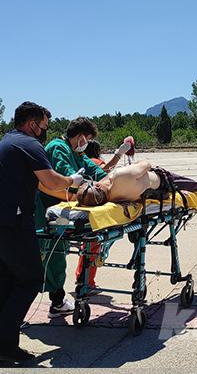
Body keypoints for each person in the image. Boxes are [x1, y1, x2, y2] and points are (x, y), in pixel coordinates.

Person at [0, 102, 84, 366]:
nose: (45, 131)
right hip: (7, 222)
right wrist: (72, 181)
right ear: (32, 124)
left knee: (3, 281)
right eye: (43, 126)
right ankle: (2, 344)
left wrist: (69, 191)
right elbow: (51, 180)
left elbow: (42, 185)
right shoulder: (29, 144)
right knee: (30, 279)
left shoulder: (8, 142)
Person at [34, 117, 124, 317]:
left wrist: (113, 181)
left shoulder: (77, 153)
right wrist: (90, 187)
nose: (87, 144)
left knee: (57, 255)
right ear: (81, 136)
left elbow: (96, 171)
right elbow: (67, 175)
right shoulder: (58, 148)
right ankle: (54, 301)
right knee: (49, 256)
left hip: (62, 210)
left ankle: (57, 300)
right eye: (87, 139)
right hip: (47, 210)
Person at [75, 159, 197, 207]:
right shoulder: (119, 177)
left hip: (154, 193)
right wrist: (133, 164)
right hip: (164, 181)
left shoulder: (111, 199)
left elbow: (102, 188)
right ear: (97, 186)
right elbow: (146, 165)